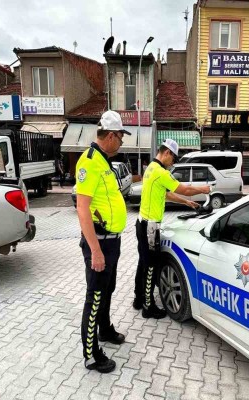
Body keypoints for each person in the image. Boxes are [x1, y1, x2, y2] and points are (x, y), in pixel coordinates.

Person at [75, 111, 129, 373]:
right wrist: (95, 250)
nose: (121, 142)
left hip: (112, 242)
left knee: (108, 290)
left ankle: (105, 330)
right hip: (99, 243)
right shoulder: (89, 162)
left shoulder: (104, 161)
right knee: (94, 297)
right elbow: (82, 209)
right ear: (110, 135)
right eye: (120, 137)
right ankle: (91, 354)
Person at [133, 139, 211, 318]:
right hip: (150, 227)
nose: (173, 162)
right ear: (167, 153)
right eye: (173, 158)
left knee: (143, 263)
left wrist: (185, 202)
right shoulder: (161, 172)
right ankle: (148, 307)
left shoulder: (150, 169)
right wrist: (204, 189)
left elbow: (166, 193)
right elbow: (183, 188)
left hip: (141, 223)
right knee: (151, 266)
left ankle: (138, 298)